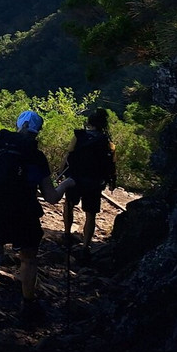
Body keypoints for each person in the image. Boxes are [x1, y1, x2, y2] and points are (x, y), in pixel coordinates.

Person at [0, 110, 74, 334]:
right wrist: (67, 183)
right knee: (28, 258)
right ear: (38, 129)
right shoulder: (35, 155)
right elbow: (51, 197)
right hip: (24, 212)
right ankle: (28, 305)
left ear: (19, 124)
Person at [61, 107, 117, 263]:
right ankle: (86, 247)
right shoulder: (107, 142)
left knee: (69, 204)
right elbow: (111, 164)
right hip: (94, 182)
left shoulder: (79, 136)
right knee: (91, 213)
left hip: (75, 179)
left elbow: (68, 156)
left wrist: (60, 174)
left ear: (89, 122)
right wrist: (112, 181)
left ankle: (67, 234)